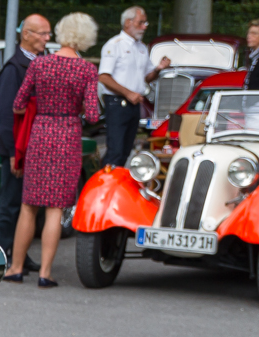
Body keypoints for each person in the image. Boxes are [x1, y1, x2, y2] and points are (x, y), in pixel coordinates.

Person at [9, 12, 101, 287]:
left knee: (28, 205)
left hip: (40, 132)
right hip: (67, 135)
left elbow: (17, 104)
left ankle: (14, 268)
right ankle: (45, 273)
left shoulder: (40, 65)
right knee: (55, 208)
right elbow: (94, 116)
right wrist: (79, 108)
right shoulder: (86, 70)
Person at [0, 14, 49, 252]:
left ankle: (19, 255)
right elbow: (6, 114)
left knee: (29, 204)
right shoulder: (14, 68)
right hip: (17, 148)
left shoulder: (42, 62)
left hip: (33, 145)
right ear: (26, 34)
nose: (47, 39)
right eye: (43, 33)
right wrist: (15, 152)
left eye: (49, 34)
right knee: (10, 203)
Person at [98, 7, 169, 168]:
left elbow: (146, 77)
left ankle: (117, 184)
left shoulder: (141, 47)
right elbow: (103, 76)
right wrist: (128, 93)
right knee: (115, 150)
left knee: (126, 150)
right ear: (128, 22)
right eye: (141, 22)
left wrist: (158, 68)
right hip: (117, 102)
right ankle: (105, 185)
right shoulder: (114, 45)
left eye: (145, 23)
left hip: (134, 103)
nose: (144, 26)